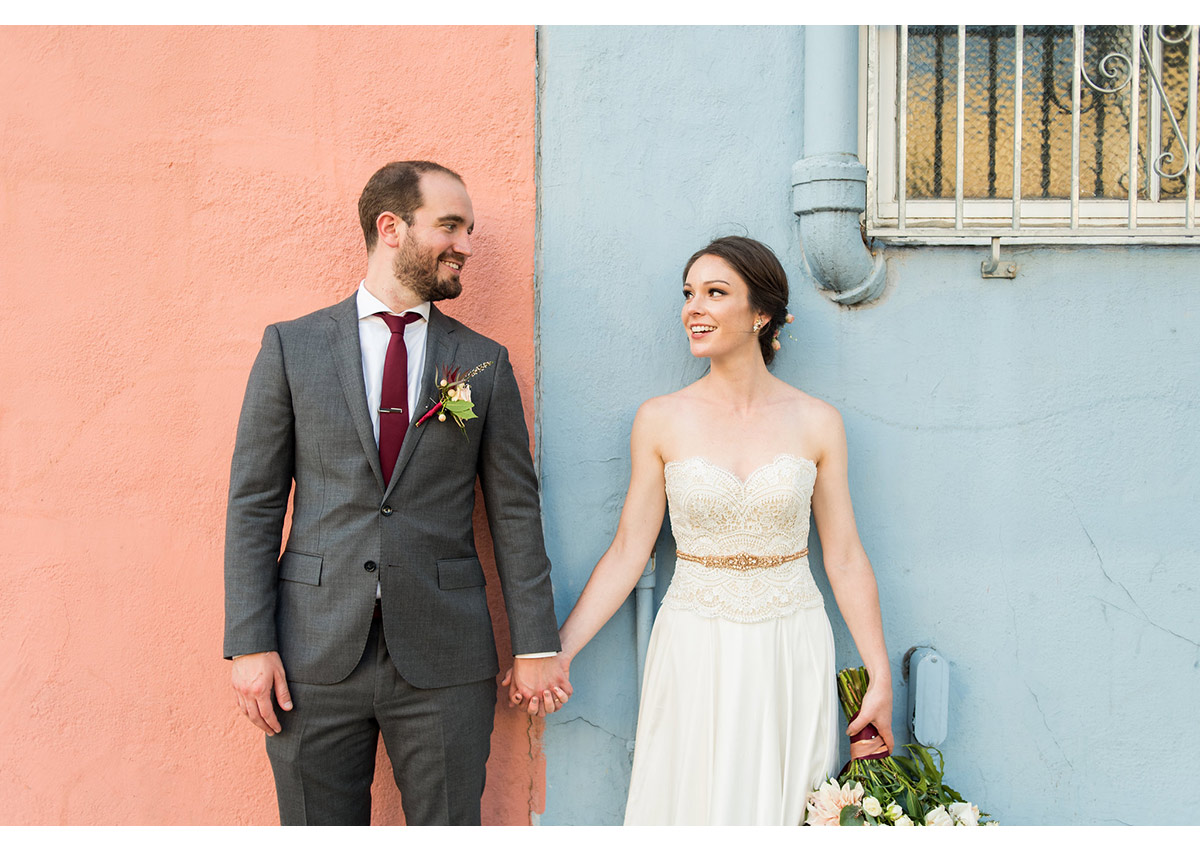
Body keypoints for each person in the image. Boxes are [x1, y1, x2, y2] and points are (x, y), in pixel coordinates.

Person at [223, 160, 570, 826]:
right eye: (450, 226)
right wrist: (248, 641)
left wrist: (535, 645)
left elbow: (515, 514)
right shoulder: (292, 348)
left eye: (468, 229)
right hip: (310, 655)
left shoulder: (482, 363)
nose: (466, 244)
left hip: (444, 658)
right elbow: (255, 503)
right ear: (391, 227)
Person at [510, 235, 893, 824]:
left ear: (761, 314)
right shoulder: (660, 419)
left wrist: (879, 676)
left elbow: (843, 557)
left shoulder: (818, 423)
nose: (695, 307)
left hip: (789, 640)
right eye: (689, 294)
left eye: (716, 293)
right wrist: (558, 652)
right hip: (694, 638)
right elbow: (628, 552)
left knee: (785, 804)